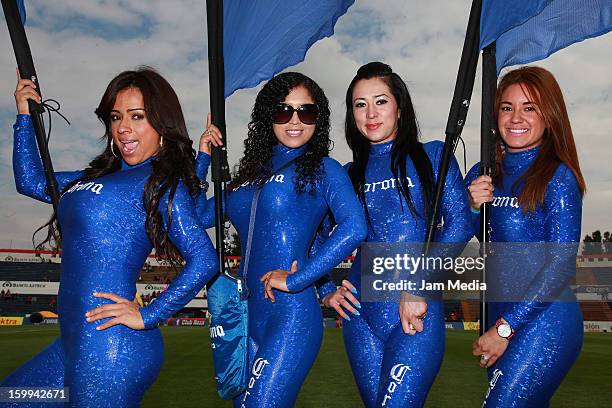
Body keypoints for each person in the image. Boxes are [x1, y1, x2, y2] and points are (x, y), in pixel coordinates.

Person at [2, 68, 218, 407]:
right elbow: (30, 181)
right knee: (12, 398)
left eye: (137, 116)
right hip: (72, 345)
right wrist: (24, 115)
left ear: (162, 124)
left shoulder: (162, 184)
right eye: (116, 117)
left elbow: (205, 259)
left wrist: (149, 315)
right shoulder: (96, 176)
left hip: (111, 351)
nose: (123, 128)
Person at [197, 72, 367, 407]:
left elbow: (354, 227)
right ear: (266, 117)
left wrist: (300, 279)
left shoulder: (324, 169)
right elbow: (198, 216)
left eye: (306, 112)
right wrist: (203, 157)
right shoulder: (247, 175)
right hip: (243, 315)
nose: (294, 121)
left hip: (291, 315)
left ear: (319, 119)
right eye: (283, 111)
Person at [321, 62, 471, 407]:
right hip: (359, 317)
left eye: (380, 101)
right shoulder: (347, 175)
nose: (370, 113)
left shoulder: (434, 155)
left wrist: (417, 284)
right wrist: (327, 288)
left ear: (400, 108)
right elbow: (317, 238)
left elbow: (460, 224)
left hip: (416, 311)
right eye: (360, 104)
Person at [466, 66, 586, 407]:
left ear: (549, 115)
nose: (516, 117)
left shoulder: (557, 177)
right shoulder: (483, 173)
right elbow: (485, 239)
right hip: (498, 312)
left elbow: (560, 265)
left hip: (544, 319)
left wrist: (505, 328)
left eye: (529, 107)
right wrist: (474, 208)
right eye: (507, 107)